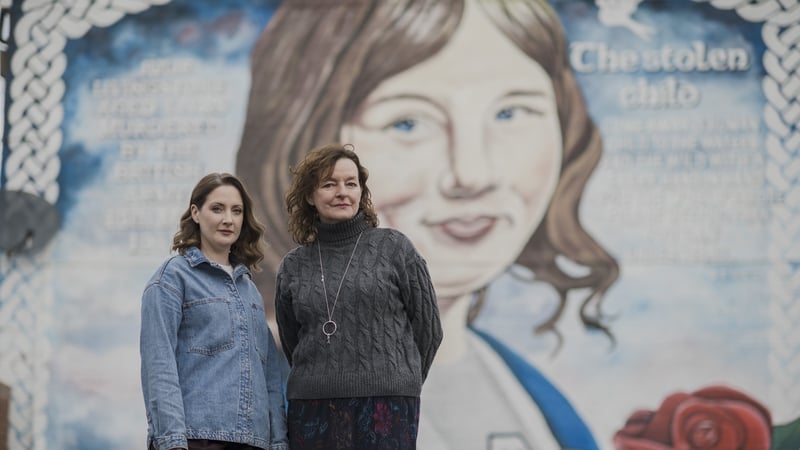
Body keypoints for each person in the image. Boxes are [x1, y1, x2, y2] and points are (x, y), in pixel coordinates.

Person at [236, 0, 619, 448]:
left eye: (510, 113)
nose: (472, 175)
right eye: (408, 122)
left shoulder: (534, 399)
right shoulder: (253, 380)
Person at [274, 143, 442, 449]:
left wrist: (400, 379)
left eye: (351, 184)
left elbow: (429, 329)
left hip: (386, 408)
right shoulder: (293, 265)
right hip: (312, 407)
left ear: (361, 193)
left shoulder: (394, 248)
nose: (342, 192)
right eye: (329, 184)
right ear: (310, 196)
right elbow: (292, 341)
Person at [139, 173, 289, 450]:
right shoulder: (172, 279)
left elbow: (270, 376)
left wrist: (279, 442)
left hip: (254, 441)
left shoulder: (249, 290)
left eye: (237, 211)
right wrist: (172, 442)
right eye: (217, 209)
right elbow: (159, 366)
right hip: (198, 439)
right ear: (196, 213)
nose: (228, 220)